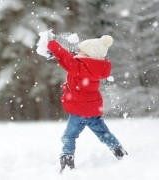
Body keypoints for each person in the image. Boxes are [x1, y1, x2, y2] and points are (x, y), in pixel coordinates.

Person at [47, 34, 128, 173]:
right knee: (104, 133)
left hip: (79, 110)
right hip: (92, 109)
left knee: (69, 136)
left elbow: (66, 58)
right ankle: (119, 151)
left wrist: (52, 44)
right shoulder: (95, 66)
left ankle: (67, 161)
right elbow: (74, 58)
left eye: (81, 52)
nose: (77, 53)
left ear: (88, 55)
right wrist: (57, 53)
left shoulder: (79, 67)